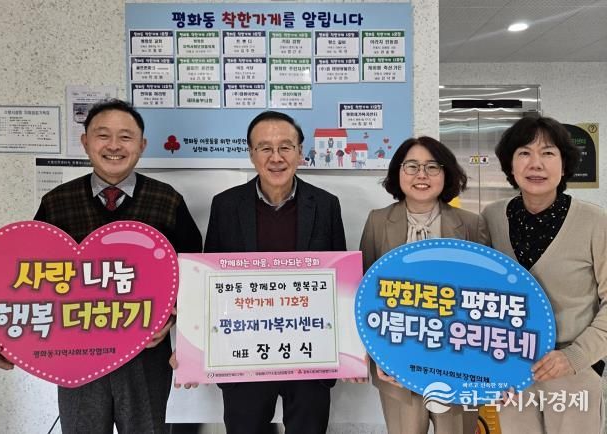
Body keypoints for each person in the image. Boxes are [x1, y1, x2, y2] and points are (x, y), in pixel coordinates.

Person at [34, 99, 203, 433]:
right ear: (85, 142)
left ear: (141, 145)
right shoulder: (56, 202)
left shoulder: (167, 200)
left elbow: (192, 272)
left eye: (125, 137)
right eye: (103, 135)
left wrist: (171, 320)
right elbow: (32, 277)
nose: (114, 145)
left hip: (146, 353)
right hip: (77, 352)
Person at [204, 110, 346, 434]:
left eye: (285, 147)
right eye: (265, 148)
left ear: (300, 151)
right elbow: (209, 285)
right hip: (243, 353)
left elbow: (340, 284)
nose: (276, 157)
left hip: (310, 352)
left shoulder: (326, 205)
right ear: (251, 153)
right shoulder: (225, 205)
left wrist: (348, 349)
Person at [482, 116, 606, 433]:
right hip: (511, 371)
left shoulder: (595, 222)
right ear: (510, 165)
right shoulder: (492, 218)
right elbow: (479, 296)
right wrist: (487, 368)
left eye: (548, 153)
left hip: (572, 370)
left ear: (564, 166)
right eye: (524, 152)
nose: (535, 163)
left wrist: (576, 357)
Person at [360, 136, 488, 434]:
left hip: (458, 360)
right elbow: (366, 293)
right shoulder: (378, 221)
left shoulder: (471, 223)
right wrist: (377, 355)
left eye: (432, 167)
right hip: (397, 360)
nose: (422, 175)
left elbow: (486, 296)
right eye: (412, 166)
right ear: (398, 172)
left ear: (446, 173)